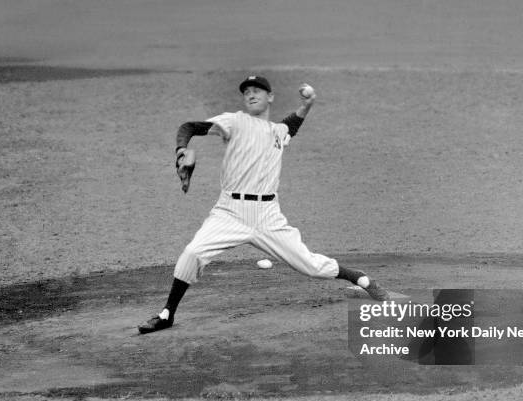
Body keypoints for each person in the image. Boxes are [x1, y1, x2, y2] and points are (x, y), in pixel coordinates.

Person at [139, 75, 397, 334]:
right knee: (192, 254)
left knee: (309, 265)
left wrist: (308, 105)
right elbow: (188, 127)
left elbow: (291, 126)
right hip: (229, 212)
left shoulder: (278, 131)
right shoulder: (235, 121)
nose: (251, 94)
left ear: (270, 97)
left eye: (257, 91)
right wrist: (180, 150)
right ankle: (167, 313)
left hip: (268, 216)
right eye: (247, 91)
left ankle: (359, 277)